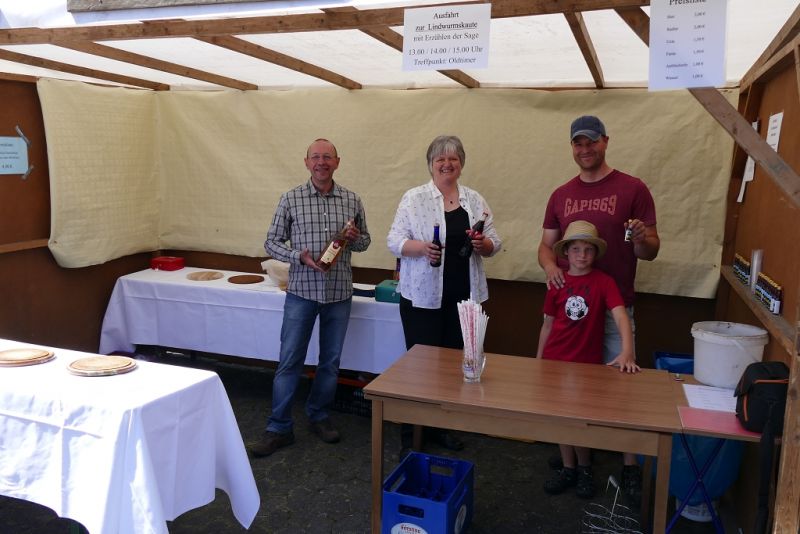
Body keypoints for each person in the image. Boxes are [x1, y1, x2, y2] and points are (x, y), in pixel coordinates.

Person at [537, 115, 660, 503]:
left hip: (614, 308)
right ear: (572, 147)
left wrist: (640, 239)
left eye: (591, 141)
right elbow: (546, 246)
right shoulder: (561, 194)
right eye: (578, 143)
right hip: (572, 312)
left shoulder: (633, 188)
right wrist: (551, 267)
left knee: (621, 391)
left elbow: (650, 250)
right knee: (567, 393)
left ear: (606, 141)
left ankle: (629, 466)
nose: (585, 149)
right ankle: (576, 463)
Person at [248, 138, 370, 457]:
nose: (321, 162)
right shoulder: (291, 199)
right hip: (301, 293)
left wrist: (355, 238)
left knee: (330, 362)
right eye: (315, 157)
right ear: (306, 162)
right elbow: (271, 242)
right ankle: (279, 427)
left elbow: (365, 242)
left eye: (327, 157)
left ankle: (318, 415)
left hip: (339, 294)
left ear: (337, 162)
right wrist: (297, 256)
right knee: (290, 361)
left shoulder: (352, 200)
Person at [387, 135, 502, 453]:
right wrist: (422, 248)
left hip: (463, 299)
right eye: (440, 159)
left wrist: (483, 244)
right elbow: (394, 240)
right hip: (422, 300)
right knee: (419, 369)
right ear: (430, 164)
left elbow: (495, 242)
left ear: (461, 164)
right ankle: (411, 437)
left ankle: (440, 428)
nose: (447, 164)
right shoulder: (414, 198)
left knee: (453, 366)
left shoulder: (474, 200)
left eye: (453, 158)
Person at [536, 220, 637, 499]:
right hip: (555, 361)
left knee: (579, 421)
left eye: (588, 249)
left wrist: (627, 351)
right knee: (560, 419)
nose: (582, 255)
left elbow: (620, 315)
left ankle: (584, 468)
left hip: (586, 367)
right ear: (565, 253)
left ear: (596, 253)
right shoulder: (556, 282)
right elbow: (547, 324)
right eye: (576, 249)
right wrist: (538, 360)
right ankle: (568, 468)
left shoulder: (604, 282)